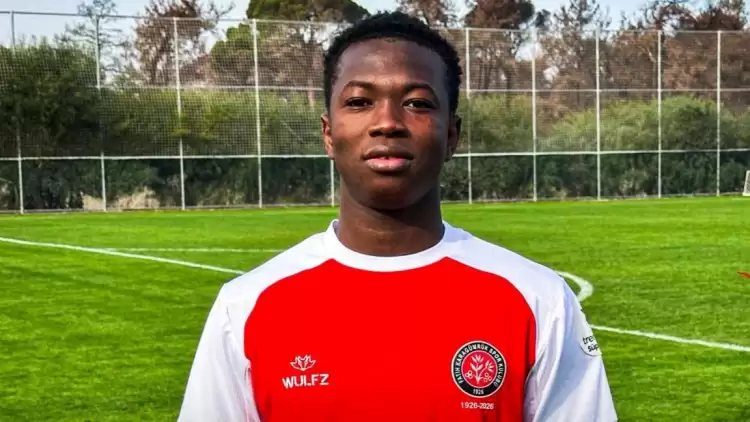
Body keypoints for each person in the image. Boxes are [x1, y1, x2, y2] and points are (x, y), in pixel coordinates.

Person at [177, 11, 617, 422]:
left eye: (418, 103)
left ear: (452, 135)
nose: (387, 122)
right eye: (358, 101)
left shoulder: (539, 301)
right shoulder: (246, 307)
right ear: (328, 133)